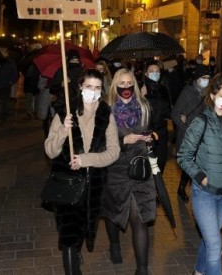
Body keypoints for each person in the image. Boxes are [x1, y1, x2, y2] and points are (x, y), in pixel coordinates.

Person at [44, 69, 120, 274]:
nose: (93, 92)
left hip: (93, 186)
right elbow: (50, 151)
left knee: (85, 228)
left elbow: (114, 152)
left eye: (97, 88)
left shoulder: (106, 114)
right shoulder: (65, 112)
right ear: (80, 87)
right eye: (88, 87)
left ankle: (76, 253)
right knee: (69, 235)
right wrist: (63, 131)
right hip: (67, 184)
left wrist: (87, 160)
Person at [177, 73, 222, 275]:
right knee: (215, 246)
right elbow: (183, 156)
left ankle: (198, 272)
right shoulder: (201, 121)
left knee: (210, 240)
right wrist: (200, 177)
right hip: (205, 193)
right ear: (213, 96)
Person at [101, 68, 155, 275]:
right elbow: (100, 142)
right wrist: (123, 141)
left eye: (129, 82)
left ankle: (142, 270)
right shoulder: (106, 108)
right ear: (115, 85)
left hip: (140, 167)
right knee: (113, 212)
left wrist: (148, 138)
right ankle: (114, 244)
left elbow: (151, 129)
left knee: (139, 217)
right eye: (121, 83)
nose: (126, 87)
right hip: (115, 167)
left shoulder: (144, 106)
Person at [170, 67, 209, 203]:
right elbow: (175, 114)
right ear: (196, 78)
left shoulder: (207, 94)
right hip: (187, 135)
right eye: (203, 78)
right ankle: (181, 188)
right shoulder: (188, 92)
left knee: (198, 164)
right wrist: (185, 128)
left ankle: (194, 188)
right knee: (189, 165)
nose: (206, 81)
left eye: (208, 78)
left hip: (202, 135)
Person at [141, 61, 172, 172]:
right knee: (148, 164)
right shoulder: (141, 89)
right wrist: (141, 97)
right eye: (151, 71)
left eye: (157, 71)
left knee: (161, 162)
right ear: (146, 73)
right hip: (146, 132)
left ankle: (158, 187)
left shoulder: (163, 88)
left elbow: (169, 109)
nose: (155, 73)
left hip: (161, 131)